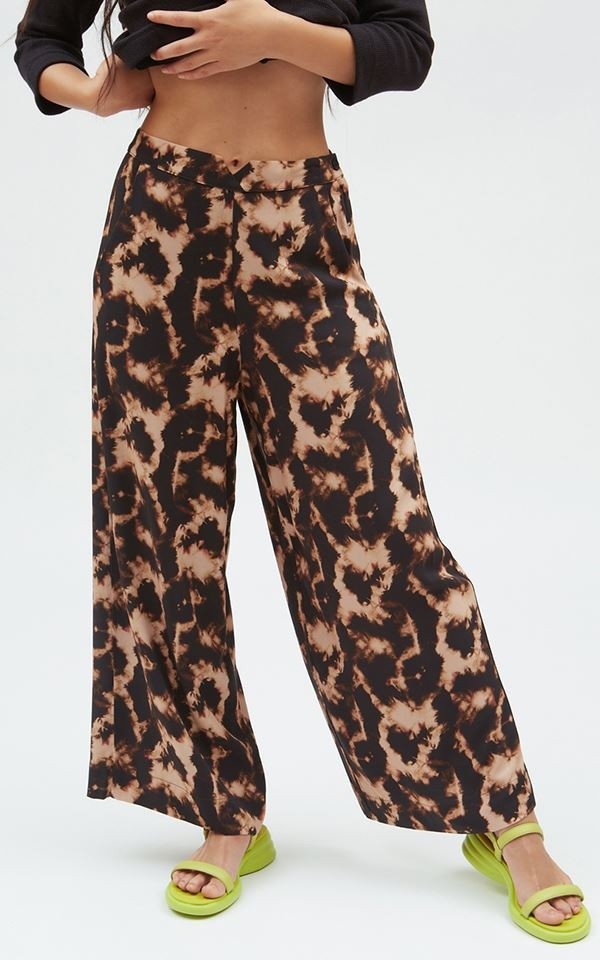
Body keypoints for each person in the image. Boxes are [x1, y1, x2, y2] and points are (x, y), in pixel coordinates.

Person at [12, 0, 590, 939]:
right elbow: (42, 38)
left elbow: (406, 47)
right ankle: (222, 807)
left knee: (381, 532)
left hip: (302, 225)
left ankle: (500, 814)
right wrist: (87, 93)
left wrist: (269, 33)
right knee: (161, 528)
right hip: (159, 224)